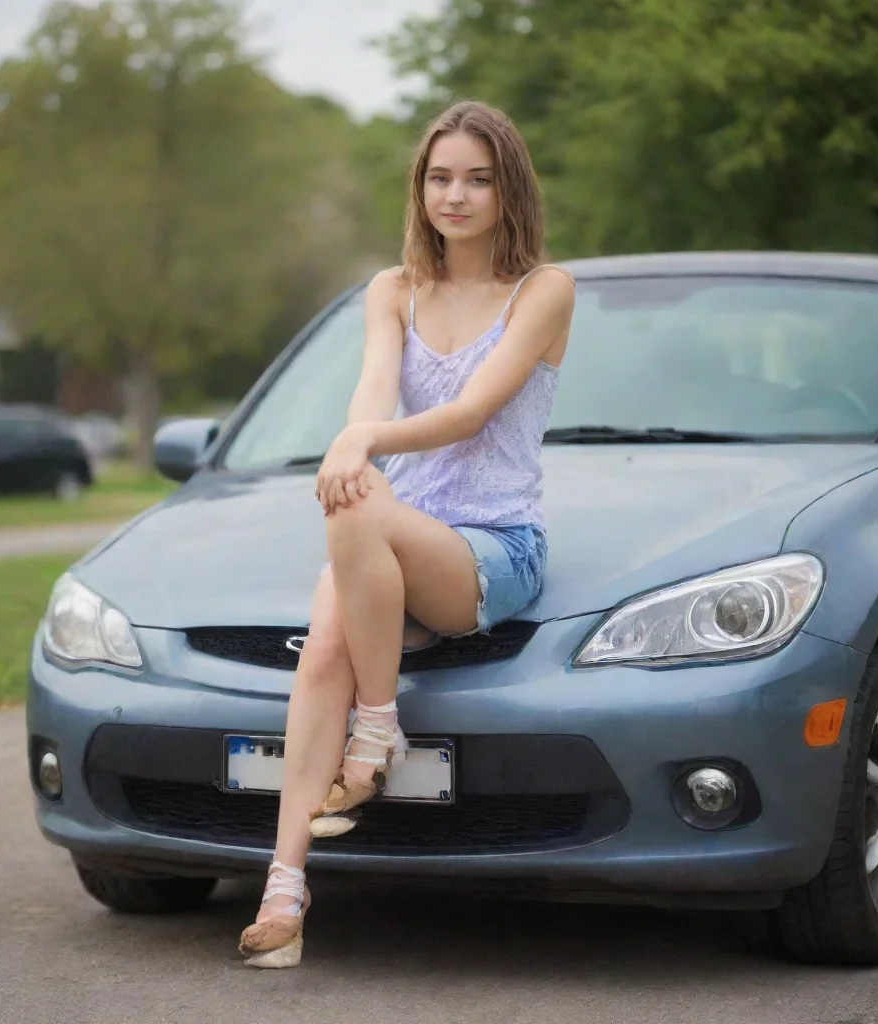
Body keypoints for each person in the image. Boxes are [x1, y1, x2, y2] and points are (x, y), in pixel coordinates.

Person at [237, 99, 576, 969]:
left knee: (353, 504)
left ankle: (378, 730)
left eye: (477, 178)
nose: (454, 195)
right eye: (438, 177)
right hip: (390, 530)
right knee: (320, 655)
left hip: (491, 549)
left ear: (510, 188)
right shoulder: (393, 289)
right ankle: (284, 889)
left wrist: (365, 448)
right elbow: (372, 393)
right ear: (418, 187)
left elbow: (466, 415)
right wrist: (360, 438)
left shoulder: (545, 291)